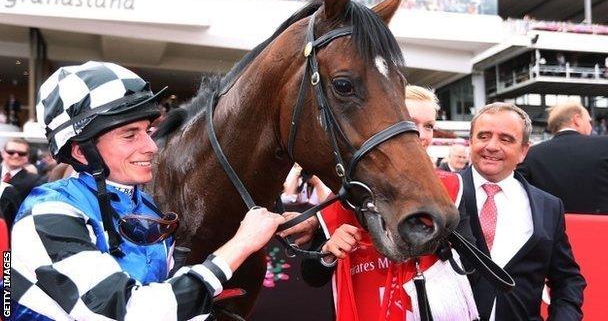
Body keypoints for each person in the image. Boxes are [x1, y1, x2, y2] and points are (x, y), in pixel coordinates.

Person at [10, 61, 285, 320]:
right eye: (130, 135)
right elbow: (135, 311)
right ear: (82, 152)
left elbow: (166, 294)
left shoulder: (146, 206)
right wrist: (240, 245)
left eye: (148, 130)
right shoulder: (48, 212)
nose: (152, 147)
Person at [292, 85, 479, 321]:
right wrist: (328, 250)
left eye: (429, 125)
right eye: (410, 121)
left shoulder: (451, 187)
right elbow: (311, 276)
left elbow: (472, 264)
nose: (421, 134)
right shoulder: (347, 191)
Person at [459, 102, 585, 320]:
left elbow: (567, 279)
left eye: (505, 139)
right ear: (471, 142)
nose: (491, 146)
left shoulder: (549, 206)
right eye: (483, 136)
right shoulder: (443, 193)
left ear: (523, 151)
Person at [517, 101, 608, 215]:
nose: (591, 126)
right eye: (588, 121)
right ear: (577, 119)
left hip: (554, 229)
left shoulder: (531, 154)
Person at [1, 138, 43, 219]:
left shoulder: (35, 181)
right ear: (3, 153)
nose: (16, 155)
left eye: (21, 153)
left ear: (27, 156)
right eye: (11, 152)